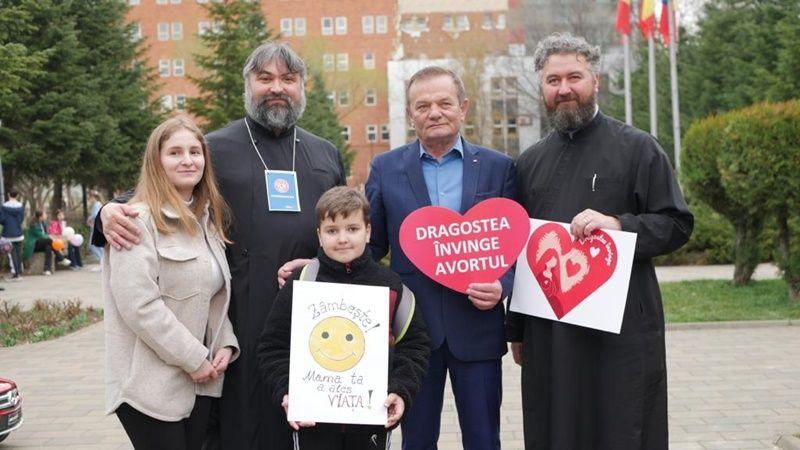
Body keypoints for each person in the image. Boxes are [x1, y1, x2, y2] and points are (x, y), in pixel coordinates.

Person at [93, 42, 346, 449]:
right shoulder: (214, 148)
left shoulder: (326, 153)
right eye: (265, 78)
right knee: (239, 427)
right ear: (248, 85)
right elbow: (153, 194)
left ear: (302, 86)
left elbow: (346, 226)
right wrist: (106, 212)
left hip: (308, 311)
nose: (276, 87)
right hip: (237, 314)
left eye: (287, 79)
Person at [505, 33, 694, 450]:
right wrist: (516, 329)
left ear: (596, 80)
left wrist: (619, 225)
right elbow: (521, 251)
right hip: (551, 333)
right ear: (542, 88)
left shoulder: (638, 148)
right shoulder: (529, 162)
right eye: (553, 80)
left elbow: (677, 223)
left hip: (622, 329)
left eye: (574, 77)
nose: (564, 89)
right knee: (556, 426)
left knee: (622, 425)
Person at [367, 66, 515, 450]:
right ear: (410, 115)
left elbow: (517, 246)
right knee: (416, 441)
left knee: (484, 440)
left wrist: (503, 285)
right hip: (412, 335)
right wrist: (320, 268)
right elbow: (371, 246)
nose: (434, 112)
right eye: (423, 106)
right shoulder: (385, 168)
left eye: (444, 103)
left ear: (463, 108)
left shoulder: (499, 168)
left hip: (478, 331)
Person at [257, 186, 430, 449]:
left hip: (371, 422)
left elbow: (415, 347)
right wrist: (287, 391)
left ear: (368, 231)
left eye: (352, 228)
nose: (342, 239)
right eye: (332, 231)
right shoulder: (303, 283)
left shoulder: (392, 287)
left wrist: (401, 390)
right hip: (313, 422)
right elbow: (273, 347)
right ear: (319, 235)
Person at [104, 116, 239, 450]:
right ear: (157, 161)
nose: (188, 160)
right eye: (175, 152)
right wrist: (194, 358)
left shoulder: (206, 220)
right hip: (151, 386)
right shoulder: (136, 220)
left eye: (195, 151)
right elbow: (140, 306)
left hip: (201, 383)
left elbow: (213, 294)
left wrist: (225, 343)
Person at [23, 210, 70, 275]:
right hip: (34, 245)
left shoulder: (43, 223)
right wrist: (52, 238)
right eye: (45, 214)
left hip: (42, 243)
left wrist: (50, 237)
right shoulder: (34, 225)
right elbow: (42, 236)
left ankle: (46, 270)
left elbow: (46, 235)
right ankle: (61, 258)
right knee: (50, 241)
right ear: (40, 217)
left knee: (48, 247)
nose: (46, 216)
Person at [2, 191, 25, 280]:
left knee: (12, 255)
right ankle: (19, 272)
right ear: (17, 195)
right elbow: (21, 219)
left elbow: (1, 219)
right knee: (19, 253)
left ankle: (16, 274)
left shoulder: (4, 207)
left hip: (8, 233)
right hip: (18, 233)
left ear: (9, 195)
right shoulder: (20, 206)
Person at [87, 190, 104, 265]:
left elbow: (95, 214)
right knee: (96, 245)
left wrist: (89, 219)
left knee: (93, 245)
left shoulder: (97, 204)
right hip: (96, 226)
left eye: (89, 198)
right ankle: (102, 262)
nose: (89, 200)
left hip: (96, 227)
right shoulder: (97, 204)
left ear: (93, 197)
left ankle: (101, 261)